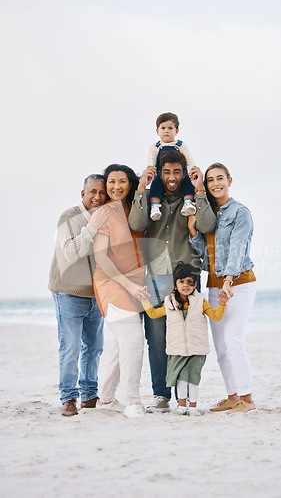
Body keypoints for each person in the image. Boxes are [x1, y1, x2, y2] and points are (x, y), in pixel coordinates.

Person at [128, 149, 217, 413]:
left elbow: (208, 225)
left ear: (183, 172)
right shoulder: (151, 198)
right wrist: (142, 188)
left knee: (187, 336)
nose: (172, 177)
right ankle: (161, 394)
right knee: (156, 338)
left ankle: (184, 392)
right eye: (166, 172)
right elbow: (136, 222)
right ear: (160, 172)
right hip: (155, 277)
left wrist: (200, 191)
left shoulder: (191, 199)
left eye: (177, 172)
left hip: (187, 278)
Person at [188, 162, 257, 414]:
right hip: (215, 286)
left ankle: (247, 400)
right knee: (221, 347)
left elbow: (238, 249)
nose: (215, 183)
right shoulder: (207, 213)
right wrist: (193, 230)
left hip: (238, 284)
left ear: (229, 180)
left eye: (220, 178)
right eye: (210, 180)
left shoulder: (240, 212)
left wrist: (228, 280)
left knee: (233, 340)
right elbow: (203, 253)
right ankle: (232, 396)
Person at [49, 174, 109, 417]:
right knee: (71, 347)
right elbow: (72, 251)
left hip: (96, 294)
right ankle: (69, 397)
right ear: (82, 194)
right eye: (92, 192)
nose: (97, 197)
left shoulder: (107, 218)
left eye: (101, 193)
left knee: (94, 347)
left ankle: (89, 395)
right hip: (68, 292)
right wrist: (93, 226)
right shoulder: (69, 217)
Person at [93, 164, 150, 419]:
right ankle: (133, 401)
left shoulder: (137, 210)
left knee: (123, 344)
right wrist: (128, 286)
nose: (116, 186)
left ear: (131, 184)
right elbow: (101, 257)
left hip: (136, 284)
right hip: (111, 283)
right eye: (112, 182)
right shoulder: (104, 213)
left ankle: (105, 399)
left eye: (122, 181)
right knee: (134, 340)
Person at [140, 262, 228, 416]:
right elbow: (153, 314)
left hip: (196, 348)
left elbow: (216, 316)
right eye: (181, 282)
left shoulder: (200, 301)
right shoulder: (169, 302)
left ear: (195, 285)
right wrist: (144, 300)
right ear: (175, 285)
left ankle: (192, 407)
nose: (185, 285)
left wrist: (222, 304)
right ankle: (181, 407)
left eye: (190, 282)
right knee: (180, 378)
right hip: (177, 349)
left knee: (193, 379)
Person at [148, 112, 196, 221]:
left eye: (170, 128)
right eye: (163, 128)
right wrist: (150, 172)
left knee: (188, 182)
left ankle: (188, 203)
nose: (166, 131)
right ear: (157, 131)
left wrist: (193, 171)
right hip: (162, 175)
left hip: (180, 175)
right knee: (155, 184)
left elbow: (189, 160)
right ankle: (155, 206)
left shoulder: (181, 145)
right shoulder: (155, 147)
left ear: (176, 131)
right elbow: (151, 162)